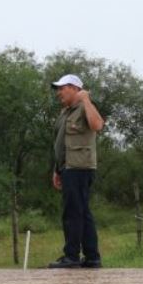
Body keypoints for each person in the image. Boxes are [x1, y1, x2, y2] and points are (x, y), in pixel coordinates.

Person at [48, 74, 105, 269]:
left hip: (80, 167)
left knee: (72, 212)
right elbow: (61, 143)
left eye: (62, 88)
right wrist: (57, 170)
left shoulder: (83, 107)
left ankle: (71, 256)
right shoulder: (66, 112)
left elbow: (97, 125)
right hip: (67, 168)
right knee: (82, 212)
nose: (58, 92)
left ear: (74, 88)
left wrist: (86, 99)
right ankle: (92, 257)